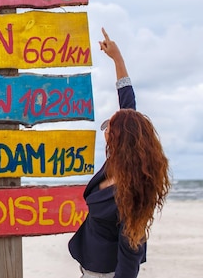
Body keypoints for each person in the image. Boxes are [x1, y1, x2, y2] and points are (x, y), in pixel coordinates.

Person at [68, 28, 171, 278]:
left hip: (105, 272)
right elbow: (128, 105)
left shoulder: (133, 190)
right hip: (89, 263)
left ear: (119, 140)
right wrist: (118, 59)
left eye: (109, 129)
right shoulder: (118, 163)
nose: (105, 132)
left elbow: (130, 251)